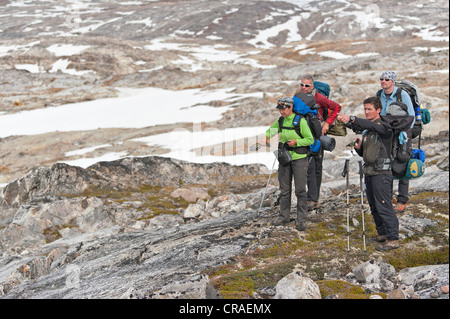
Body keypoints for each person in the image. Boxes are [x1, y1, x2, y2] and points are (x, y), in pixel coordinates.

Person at [338, 96, 400, 251]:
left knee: (384, 205)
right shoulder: (368, 130)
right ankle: (382, 234)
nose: (366, 112)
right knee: (373, 205)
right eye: (365, 109)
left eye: (369, 109)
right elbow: (366, 154)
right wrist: (359, 148)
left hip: (382, 173)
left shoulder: (384, 127)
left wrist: (352, 119)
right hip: (370, 171)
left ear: (378, 110)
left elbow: (369, 125)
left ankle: (393, 239)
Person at [262, 97, 314, 231]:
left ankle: (301, 219)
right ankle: (283, 217)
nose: (281, 112)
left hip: (299, 158)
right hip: (284, 158)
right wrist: (266, 137)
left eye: (283, 109)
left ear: (291, 108)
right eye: (279, 109)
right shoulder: (280, 121)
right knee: (284, 190)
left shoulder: (300, 121)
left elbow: (309, 139)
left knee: (300, 190)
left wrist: (296, 142)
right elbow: (271, 130)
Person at [297, 75, 342, 211]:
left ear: (312, 86)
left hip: (318, 134)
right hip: (304, 135)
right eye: (302, 85)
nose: (304, 88)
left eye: (307, 86)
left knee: (315, 166)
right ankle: (310, 198)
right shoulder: (298, 96)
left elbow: (337, 107)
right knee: (308, 166)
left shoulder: (319, 98)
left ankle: (312, 199)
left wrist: (327, 123)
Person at [376, 71, 415, 213]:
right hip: (386, 133)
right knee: (386, 163)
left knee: (402, 160)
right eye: (381, 79)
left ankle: (402, 199)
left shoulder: (402, 95)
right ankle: (388, 195)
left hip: (402, 134)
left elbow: (410, 115)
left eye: (386, 79)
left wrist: (405, 134)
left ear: (392, 81)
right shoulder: (378, 94)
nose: (383, 81)